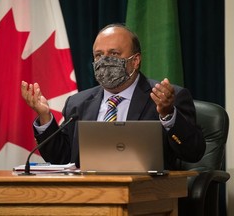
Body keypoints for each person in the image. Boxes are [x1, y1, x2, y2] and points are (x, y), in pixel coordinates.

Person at [21, 23, 206, 170]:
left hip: (146, 196)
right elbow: (62, 158)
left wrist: (167, 115)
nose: (104, 61)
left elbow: (193, 152)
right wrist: (45, 117)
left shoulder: (164, 98)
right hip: (87, 197)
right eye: (98, 55)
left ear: (135, 60)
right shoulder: (78, 104)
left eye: (114, 54)